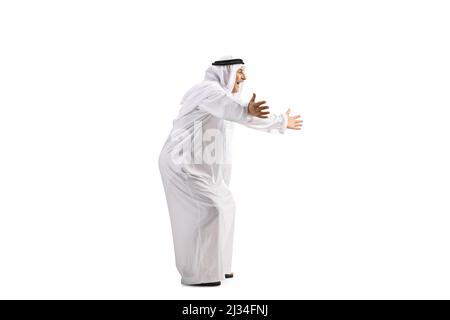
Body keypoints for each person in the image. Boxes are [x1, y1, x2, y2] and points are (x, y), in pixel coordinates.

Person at [159, 56, 302, 286]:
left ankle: (218, 267)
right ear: (226, 73)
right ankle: (197, 275)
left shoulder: (223, 98)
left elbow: (240, 116)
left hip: (198, 166)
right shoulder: (208, 91)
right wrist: (253, 111)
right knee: (211, 210)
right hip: (180, 165)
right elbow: (234, 111)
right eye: (240, 72)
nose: (244, 77)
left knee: (226, 204)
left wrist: (271, 119)